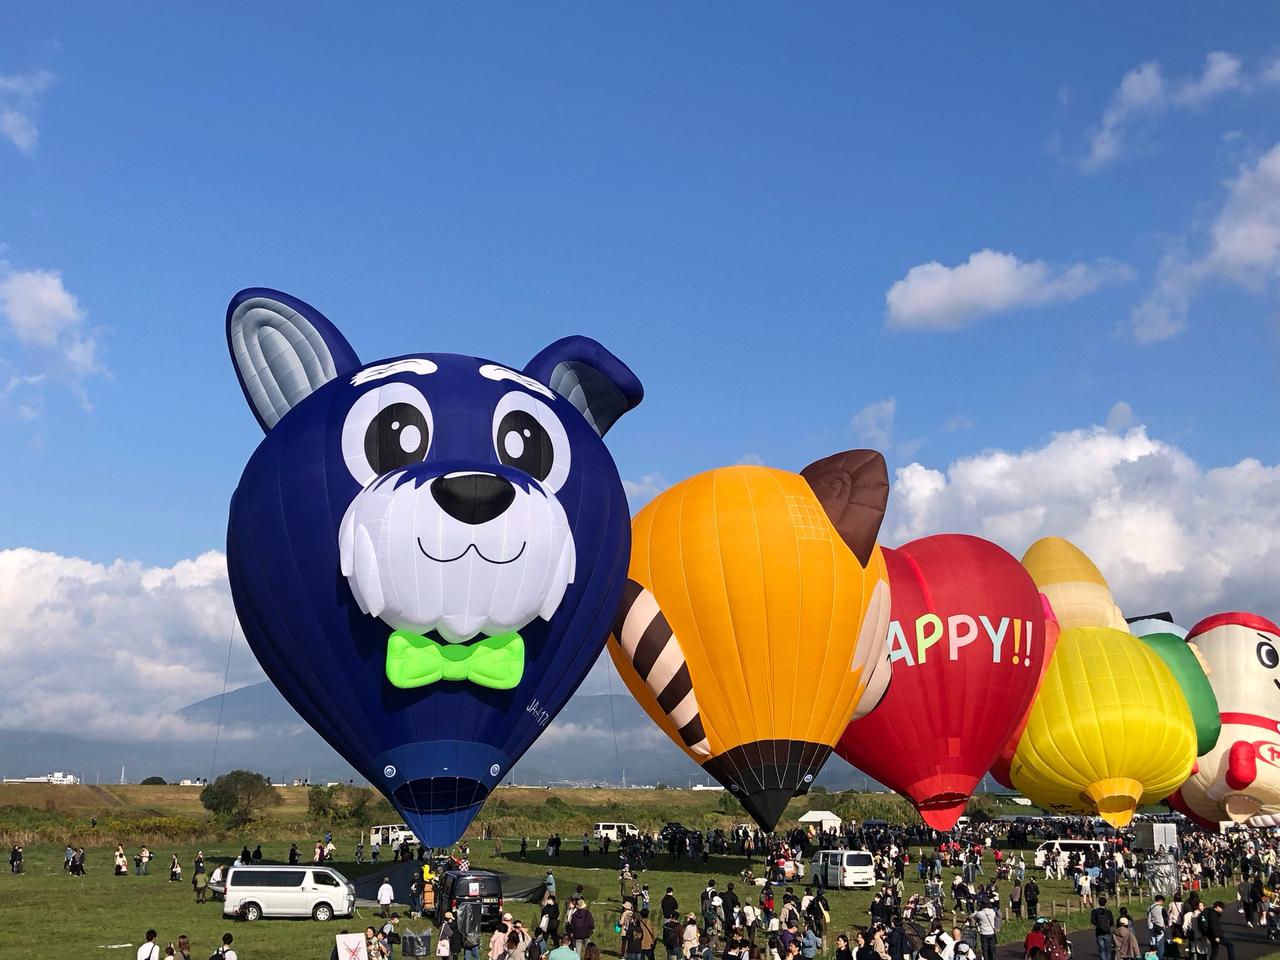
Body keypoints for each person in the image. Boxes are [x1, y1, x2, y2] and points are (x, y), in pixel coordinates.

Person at [1147, 896, 1167, 960]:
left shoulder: (1149, 907)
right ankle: (1160, 957)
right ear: (1160, 900)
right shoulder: (1161, 908)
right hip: (1159, 928)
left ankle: (1152, 957)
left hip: (1151, 927)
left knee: (1152, 943)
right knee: (1160, 944)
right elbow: (1166, 918)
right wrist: (1166, 925)